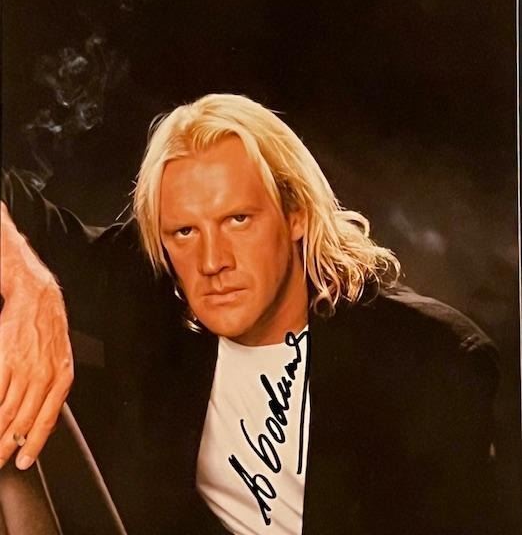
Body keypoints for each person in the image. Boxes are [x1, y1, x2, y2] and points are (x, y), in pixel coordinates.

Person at [0, 94, 499, 534]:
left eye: (238, 220)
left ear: (296, 213)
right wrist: (26, 278)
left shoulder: (432, 363)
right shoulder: (153, 289)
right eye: (184, 232)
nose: (212, 260)